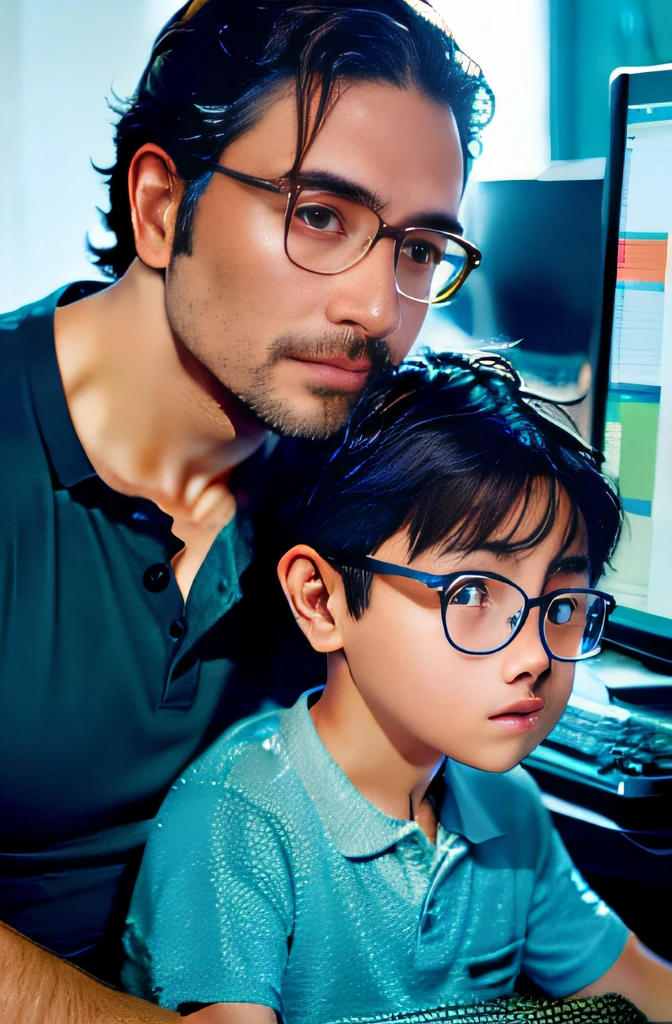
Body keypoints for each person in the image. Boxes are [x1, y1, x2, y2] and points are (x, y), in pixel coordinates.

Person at [0, 0, 493, 1020]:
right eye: (320, 216)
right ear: (158, 204)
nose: (376, 308)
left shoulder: (353, 474)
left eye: (417, 250)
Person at [123, 353, 672, 1023]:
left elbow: (646, 988)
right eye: (472, 592)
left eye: (561, 606)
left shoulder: (509, 809)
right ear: (321, 600)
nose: (534, 656)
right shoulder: (237, 821)